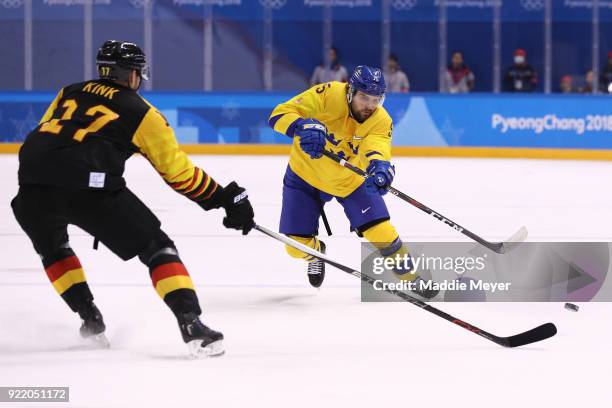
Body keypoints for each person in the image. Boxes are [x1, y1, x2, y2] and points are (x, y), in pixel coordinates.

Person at [11, 40, 255, 358]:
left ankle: (90, 320)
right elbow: (179, 175)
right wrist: (223, 198)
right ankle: (191, 323)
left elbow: (46, 133)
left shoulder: (68, 91)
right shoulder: (142, 112)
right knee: (158, 247)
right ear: (131, 75)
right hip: (89, 187)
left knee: (54, 249)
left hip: (30, 186)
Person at [268, 66, 435, 297]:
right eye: (364, 97)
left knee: (382, 231)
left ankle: (411, 277)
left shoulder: (380, 120)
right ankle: (317, 252)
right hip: (305, 176)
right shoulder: (328, 94)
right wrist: (300, 126)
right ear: (350, 92)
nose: (370, 105)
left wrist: (380, 168)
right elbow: (279, 113)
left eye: (376, 99)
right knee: (295, 247)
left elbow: (377, 147)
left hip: (349, 182)